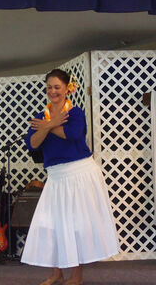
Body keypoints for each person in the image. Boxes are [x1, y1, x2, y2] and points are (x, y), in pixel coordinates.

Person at [21, 69, 119, 285]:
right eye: (49, 87)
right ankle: (57, 273)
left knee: (75, 225)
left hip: (79, 173)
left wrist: (47, 126)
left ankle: (76, 277)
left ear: (67, 89)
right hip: (56, 177)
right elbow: (33, 143)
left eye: (57, 87)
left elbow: (72, 134)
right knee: (51, 225)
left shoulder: (75, 113)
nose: (52, 91)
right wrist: (51, 123)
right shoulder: (41, 116)